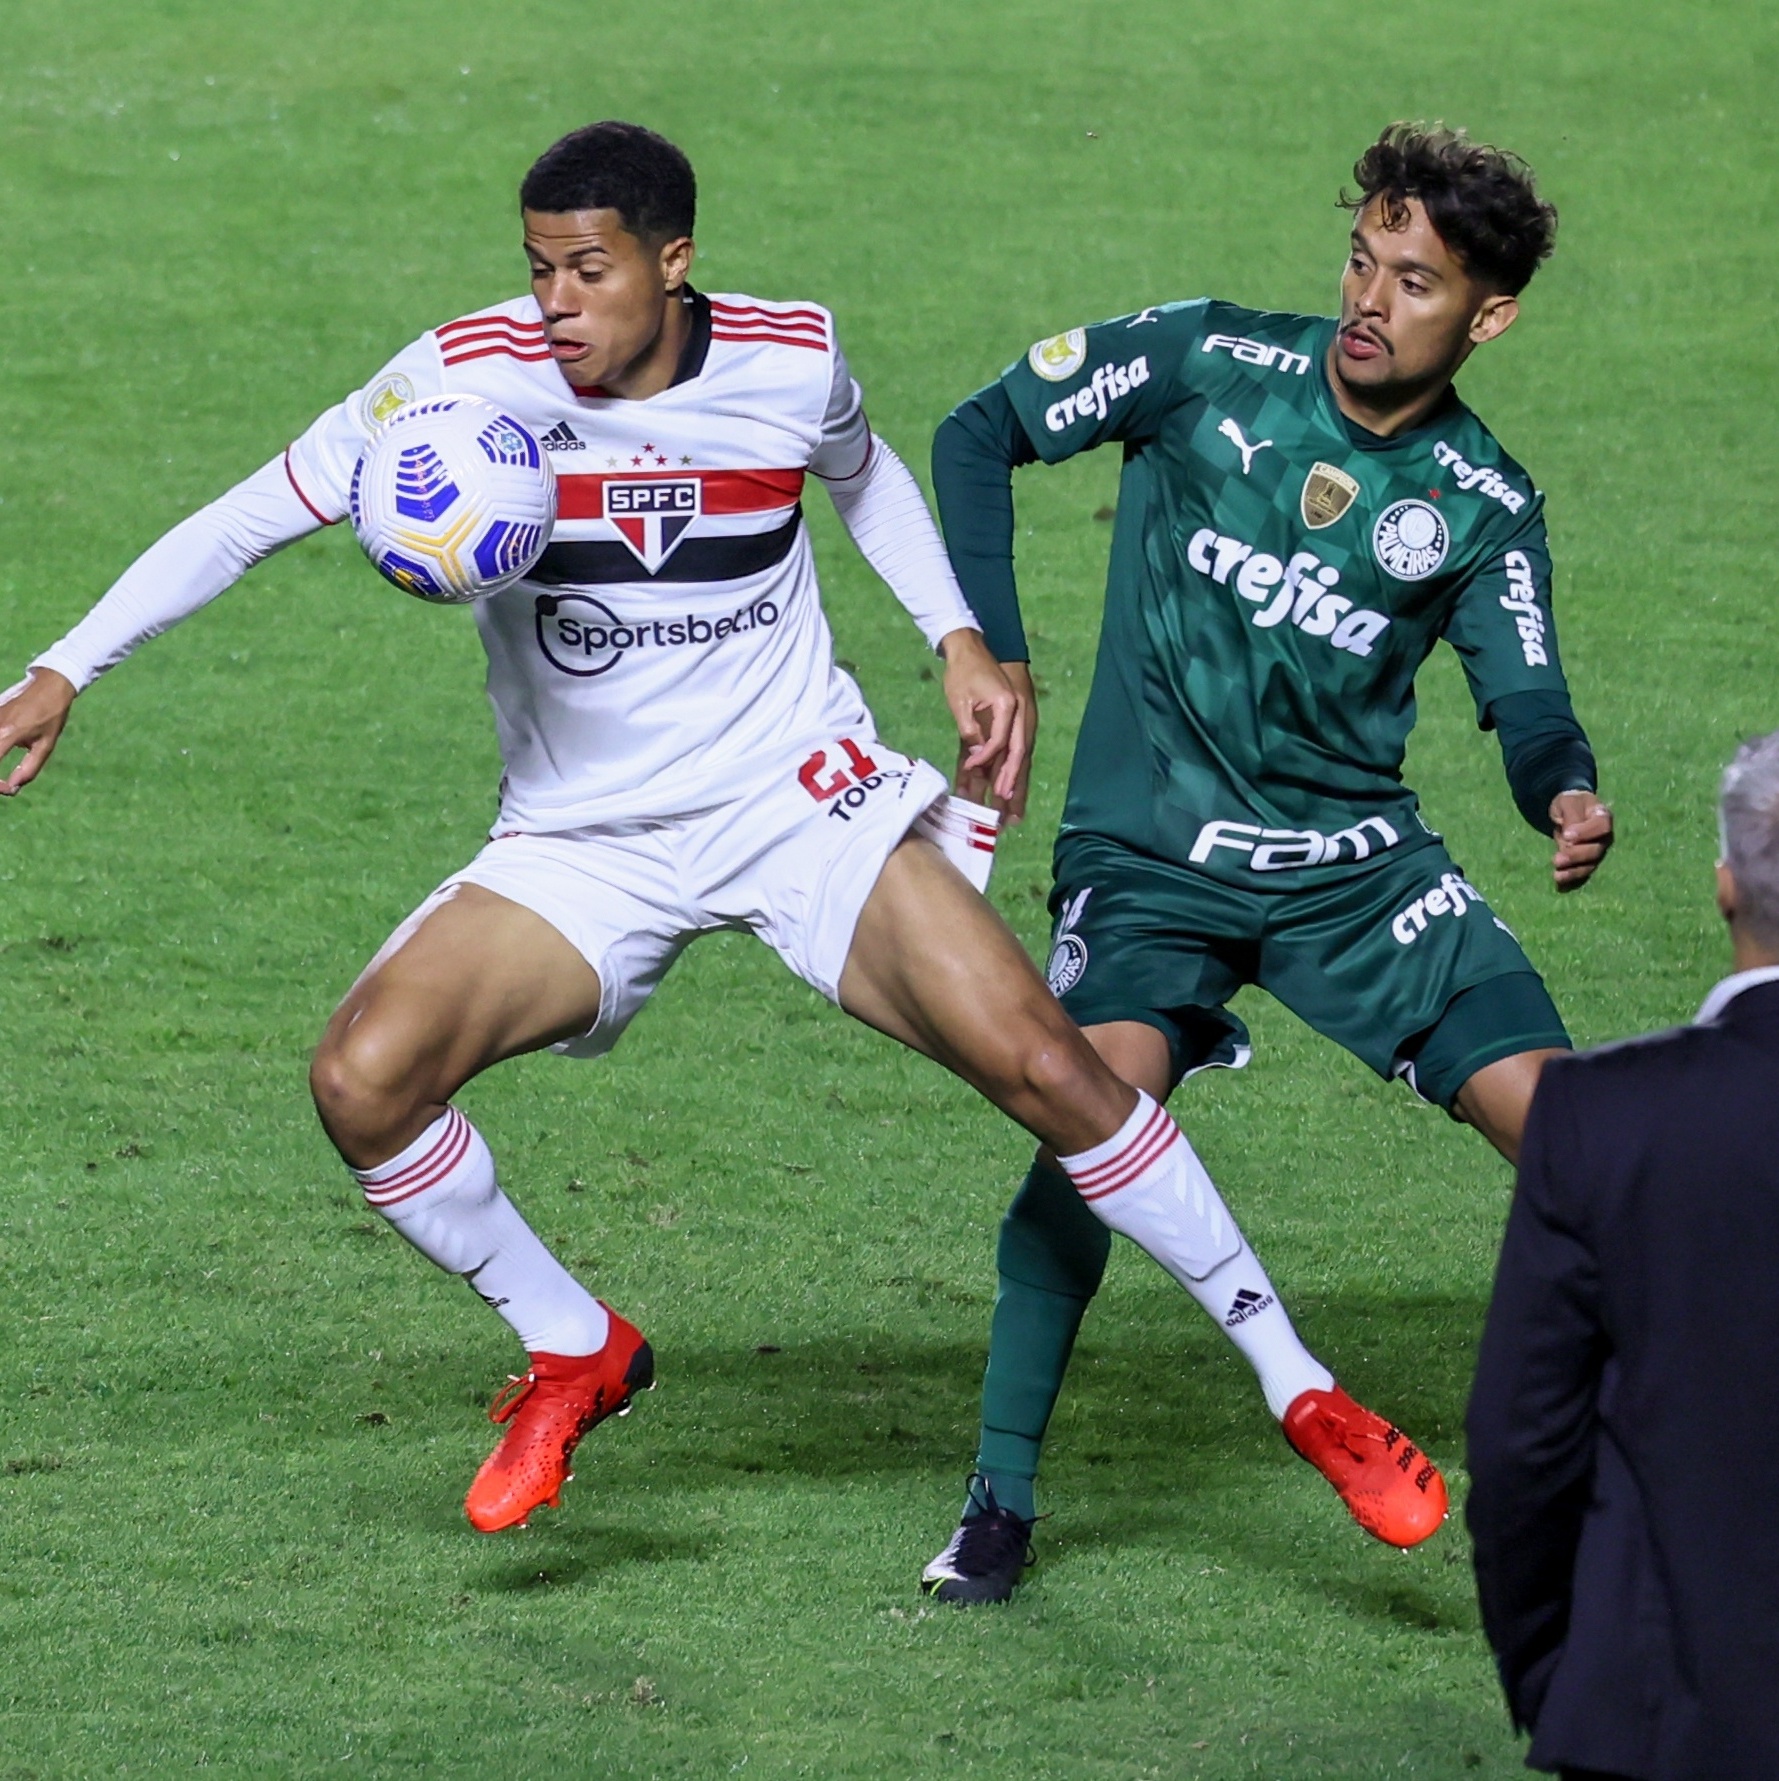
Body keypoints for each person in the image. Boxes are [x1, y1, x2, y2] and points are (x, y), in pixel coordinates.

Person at [0, 122, 1407, 1546]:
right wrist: (65, 666)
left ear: (673, 263)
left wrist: (957, 638)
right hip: (582, 836)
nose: (554, 302)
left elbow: (859, 474)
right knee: (363, 1079)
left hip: (797, 797)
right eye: (537, 267)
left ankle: (1300, 1387)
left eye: (588, 270)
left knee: (1042, 1062)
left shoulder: (788, 359)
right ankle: (574, 1347)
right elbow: (250, 515)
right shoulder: (455, 383)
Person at [919, 122, 1615, 1604]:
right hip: (1154, 857)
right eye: (1361, 261)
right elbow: (975, 431)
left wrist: (1559, 789)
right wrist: (997, 653)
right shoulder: (1206, 360)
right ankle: (996, 1498)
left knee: (1581, 1144)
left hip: (1354, 873)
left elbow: (1525, 694)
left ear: (1484, 317)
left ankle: (1647, 1451)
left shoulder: (1481, 504)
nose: (1368, 299)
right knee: (1083, 1130)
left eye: (1412, 282)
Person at [1466, 733, 1779, 1781]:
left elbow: (1521, 1441)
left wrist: (1557, 1674)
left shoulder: (1604, 1117)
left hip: (1658, 1719)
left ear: (1726, 888)